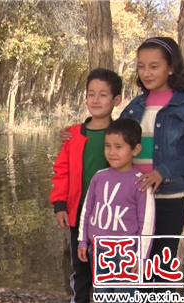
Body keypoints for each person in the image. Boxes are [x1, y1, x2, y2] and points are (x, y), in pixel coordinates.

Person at [59, 37, 184, 295]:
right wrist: (75, 133)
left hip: (168, 197)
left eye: (154, 66)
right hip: (130, 197)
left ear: (171, 67)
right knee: (127, 267)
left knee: (158, 266)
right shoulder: (135, 106)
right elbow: (114, 136)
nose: (146, 73)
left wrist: (163, 172)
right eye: (141, 66)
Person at [50, 68, 123, 303]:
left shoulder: (121, 135)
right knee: (80, 268)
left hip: (112, 218)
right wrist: (60, 205)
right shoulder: (73, 134)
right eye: (91, 94)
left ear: (116, 100)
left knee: (111, 271)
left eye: (103, 94)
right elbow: (62, 171)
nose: (96, 99)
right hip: (80, 215)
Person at [77, 118, 155, 301]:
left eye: (118, 147)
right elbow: (87, 211)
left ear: (135, 149)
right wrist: (82, 240)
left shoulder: (141, 183)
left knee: (124, 297)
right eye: (107, 146)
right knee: (101, 295)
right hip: (97, 250)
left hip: (126, 254)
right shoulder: (99, 177)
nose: (111, 152)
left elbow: (147, 224)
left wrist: (141, 257)